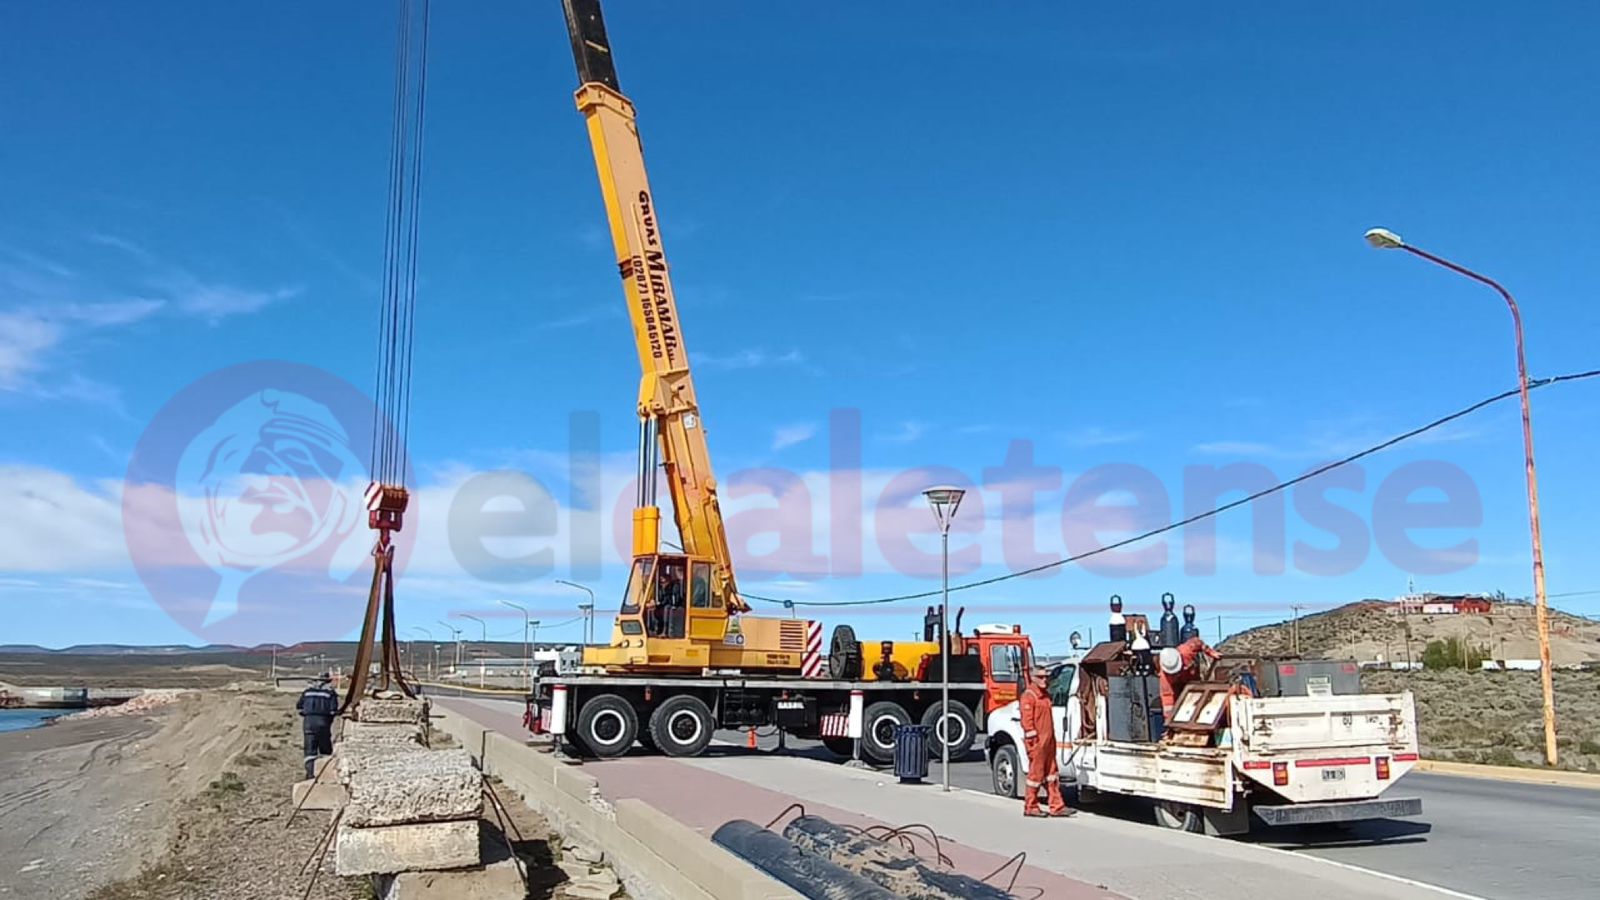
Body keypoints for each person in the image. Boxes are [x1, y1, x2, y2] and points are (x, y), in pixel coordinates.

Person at [1019, 665, 1074, 818]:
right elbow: (1027, 722)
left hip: (1049, 742)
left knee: (1052, 775)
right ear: (1033, 678)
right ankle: (1031, 806)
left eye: (1046, 677)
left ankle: (1057, 806)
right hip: (1038, 743)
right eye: (1041, 677)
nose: (1045, 680)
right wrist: (1033, 741)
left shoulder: (1045, 696)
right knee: (1035, 776)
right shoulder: (1029, 696)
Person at [1158, 636, 1223, 719]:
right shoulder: (1165, 678)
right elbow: (1167, 698)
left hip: (1194, 681)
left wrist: (1210, 652)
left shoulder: (1187, 650)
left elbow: (1198, 643)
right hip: (1178, 688)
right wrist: (1169, 718)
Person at [296, 672, 339, 779]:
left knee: (310, 750)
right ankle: (325, 773)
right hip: (323, 722)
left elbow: (299, 707)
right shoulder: (330, 693)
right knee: (325, 748)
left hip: (308, 722)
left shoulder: (307, 692)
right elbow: (333, 710)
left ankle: (310, 773)